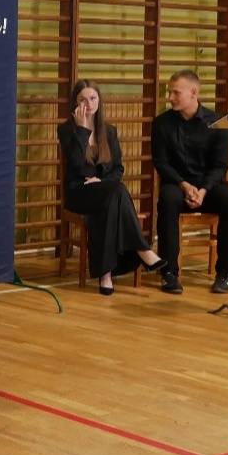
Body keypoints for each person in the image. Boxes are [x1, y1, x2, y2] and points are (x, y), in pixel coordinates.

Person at [58, 79, 180, 295]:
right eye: (83, 100)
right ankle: (143, 250)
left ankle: (106, 275)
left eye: (93, 98)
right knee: (117, 192)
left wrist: (102, 183)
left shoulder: (109, 131)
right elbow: (77, 166)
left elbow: (117, 169)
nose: (88, 104)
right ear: (75, 103)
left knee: (114, 195)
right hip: (79, 192)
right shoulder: (67, 130)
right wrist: (82, 130)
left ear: (99, 101)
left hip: (105, 192)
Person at [151, 70, 228, 294]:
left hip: (207, 187)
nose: (170, 97)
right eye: (169, 92)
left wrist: (202, 190)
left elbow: (220, 165)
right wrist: (184, 185)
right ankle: (169, 272)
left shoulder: (217, 123)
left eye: (176, 93)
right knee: (167, 199)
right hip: (177, 185)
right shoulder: (161, 123)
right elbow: (161, 162)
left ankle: (225, 273)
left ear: (194, 93)